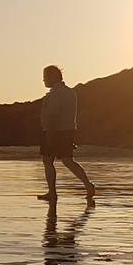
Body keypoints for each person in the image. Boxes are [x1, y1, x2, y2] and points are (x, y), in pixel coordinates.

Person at [38, 64, 95, 201]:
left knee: (48, 160)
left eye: (45, 77)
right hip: (67, 130)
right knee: (68, 160)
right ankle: (88, 185)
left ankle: (52, 193)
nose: (44, 80)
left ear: (53, 77)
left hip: (55, 131)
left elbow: (53, 115)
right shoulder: (70, 92)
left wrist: (50, 134)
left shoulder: (56, 94)